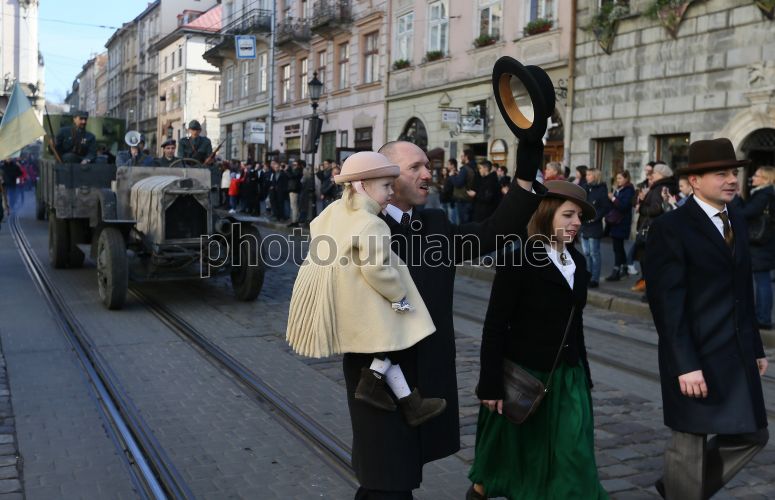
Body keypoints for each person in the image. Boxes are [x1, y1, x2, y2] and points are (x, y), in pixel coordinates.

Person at [343, 139, 546, 498]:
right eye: (415, 167)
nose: (428, 174)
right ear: (385, 177)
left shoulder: (434, 225)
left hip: (425, 382)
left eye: (428, 166)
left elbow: (494, 231)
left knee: (392, 484)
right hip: (377, 383)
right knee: (386, 483)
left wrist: (527, 167)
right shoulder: (358, 228)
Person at [644, 138, 769, 500]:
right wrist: (685, 365)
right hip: (693, 355)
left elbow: (742, 291)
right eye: (721, 174)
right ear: (695, 181)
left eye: (733, 173)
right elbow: (667, 306)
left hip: (734, 350)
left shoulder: (737, 220)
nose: (731, 180)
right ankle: (682, 489)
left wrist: (755, 347)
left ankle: (677, 488)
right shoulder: (671, 227)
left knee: (754, 433)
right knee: (690, 443)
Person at [287, 151, 447, 427]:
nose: (391, 193)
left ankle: (410, 403)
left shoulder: (336, 210)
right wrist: (398, 296)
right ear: (362, 185)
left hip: (335, 293)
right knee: (406, 324)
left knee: (387, 347)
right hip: (364, 296)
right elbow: (376, 269)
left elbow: (317, 230)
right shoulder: (372, 223)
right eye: (385, 186)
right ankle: (372, 382)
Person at [468, 181, 605, 500]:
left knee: (573, 455)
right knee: (513, 458)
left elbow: (575, 323)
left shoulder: (578, 262)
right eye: (568, 215)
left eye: (579, 217)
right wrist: (490, 384)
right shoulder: (518, 261)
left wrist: (583, 373)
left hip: (568, 377)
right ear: (545, 214)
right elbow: (494, 327)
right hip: (525, 376)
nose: (576, 223)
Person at [629, 162, 677, 293]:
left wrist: (642, 207)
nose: (652, 174)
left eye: (655, 172)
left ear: (661, 174)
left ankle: (651, 290)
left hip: (653, 228)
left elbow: (656, 209)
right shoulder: (662, 186)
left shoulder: (659, 188)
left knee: (650, 261)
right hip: (657, 228)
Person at [739, 166, 775, 330]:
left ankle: (763, 318)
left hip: (760, 243)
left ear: (766, 179)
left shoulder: (764, 195)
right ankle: (761, 316)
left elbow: (747, 213)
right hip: (765, 242)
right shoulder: (766, 194)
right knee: (762, 279)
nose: (753, 177)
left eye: (757, 175)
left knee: (762, 280)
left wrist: (736, 200)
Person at [581, 168, 610, 287]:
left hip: (594, 226)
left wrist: (594, 217)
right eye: (586, 174)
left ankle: (594, 279)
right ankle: (588, 275)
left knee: (594, 253)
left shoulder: (601, 189)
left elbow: (605, 207)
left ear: (595, 176)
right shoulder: (585, 187)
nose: (587, 177)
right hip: (584, 225)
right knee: (586, 253)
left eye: (589, 175)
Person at [604, 171, 635, 282]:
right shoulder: (619, 189)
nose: (618, 180)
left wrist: (613, 198)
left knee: (618, 248)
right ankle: (624, 268)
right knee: (618, 247)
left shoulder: (628, 190)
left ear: (626, 179)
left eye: (620, 178)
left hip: (622, 222)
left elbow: (623, 206)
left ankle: (616, 271)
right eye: (617, 178)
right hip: (616, 222)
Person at [451, 149, 479, 224]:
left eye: (462, 156)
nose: (461, 158)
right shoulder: (475, 168)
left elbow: (458, 183)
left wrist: (452, 176)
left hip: (463, 199)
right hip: (471, 199)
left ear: (466, 157)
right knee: (469, 223)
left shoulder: (465, 169)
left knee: (463, 224)